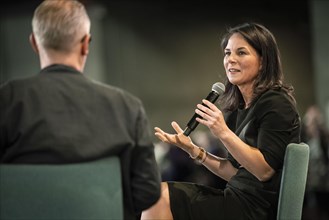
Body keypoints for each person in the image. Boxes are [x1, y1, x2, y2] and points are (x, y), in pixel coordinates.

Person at [0, 0, 160, 219]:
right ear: (86, 43)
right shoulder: (127, 107)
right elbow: (148, 192)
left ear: (35, 43)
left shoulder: (7, 100)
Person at [141, 22, 301, 220]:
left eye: (241, 53)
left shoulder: (277, 103)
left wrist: (222, 132)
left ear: (263, 61)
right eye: (227, 53)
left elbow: (264, 171)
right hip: (234, 197)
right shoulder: (238, 108)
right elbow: (235, 173)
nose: (230, 60)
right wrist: (194, 150)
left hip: (256, 210)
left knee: (160, 197)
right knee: (156, 195)